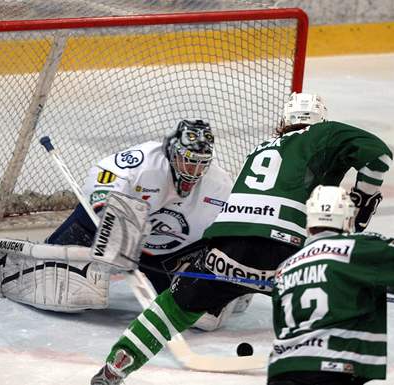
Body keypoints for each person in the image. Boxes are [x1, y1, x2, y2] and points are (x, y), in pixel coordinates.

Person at [91, 92, 392, 385]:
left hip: (226, 250)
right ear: (320, 119)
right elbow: (378, 154)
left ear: (285, 120)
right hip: (288, 252)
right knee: (333, 298)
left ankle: (116, 366)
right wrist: (364, 196)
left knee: (173, 307)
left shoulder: (260, 148)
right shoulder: (324, 134)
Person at [0, 119, 233, 315]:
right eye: (188, 161)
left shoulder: (219, 184)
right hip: (104, 232)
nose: (194, 171)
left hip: (166, 253)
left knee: (203, 315)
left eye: (201, 164)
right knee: (61, 288)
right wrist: (114, 225)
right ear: (173, 153)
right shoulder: (143, 162)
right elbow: (104, 177)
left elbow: (229, 226)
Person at [268, 185, 394, 385]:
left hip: (282, 370)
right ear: (347, 219)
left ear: (309, 222)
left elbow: (279, 325)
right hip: (333, 367)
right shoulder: (358, 248)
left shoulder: (285, 266)